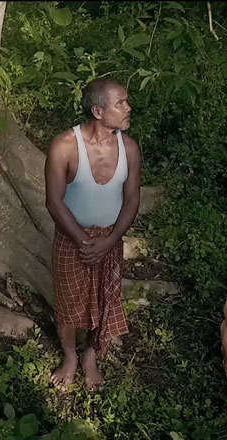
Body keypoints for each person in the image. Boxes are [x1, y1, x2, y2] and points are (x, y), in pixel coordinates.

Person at [44, 77, 141, 391]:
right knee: (70, 303)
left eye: (126, 101)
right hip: (73, 240)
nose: (129, 108)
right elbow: (54, 201)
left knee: (103, 299)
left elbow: (132, 200)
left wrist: (110, 241)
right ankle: (70, 356)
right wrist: (85, 242)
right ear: (99, 111)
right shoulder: (65, 146)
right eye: (120, 103)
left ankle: (90, 355)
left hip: (109, 240)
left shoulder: (129, 148)